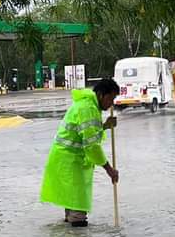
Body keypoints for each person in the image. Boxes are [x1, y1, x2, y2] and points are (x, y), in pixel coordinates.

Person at [39, 78, 120, 227]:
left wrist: (105, 126)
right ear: (102, 95)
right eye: (111, 98)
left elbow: (85, 134)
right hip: (71, 163)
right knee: (78, 215)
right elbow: (91, 146)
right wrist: (110, 170)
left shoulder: (87, 105)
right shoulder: (88, 109)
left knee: (72, 206)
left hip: (66, 161)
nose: (111, 104)